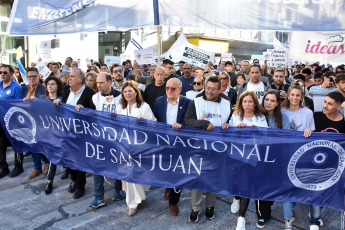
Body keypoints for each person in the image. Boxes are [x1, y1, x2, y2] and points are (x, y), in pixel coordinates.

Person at [184, 76, 231, 223]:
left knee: (213, 178)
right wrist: (204, 124)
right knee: (198, 178)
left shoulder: (227, 103)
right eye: (208, 88)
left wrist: (228, 125)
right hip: (199, 146)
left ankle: (210, 206)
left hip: (218, 148)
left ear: (220, 89)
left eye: (214, 89)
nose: (210, 91)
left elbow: (231, 121)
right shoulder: (196, 101)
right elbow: (188, 120)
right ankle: (196, 207)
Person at [228, 90, 268, 230]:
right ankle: (236, 198)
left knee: (246, 185)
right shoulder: (236, 115)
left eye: (250, 101)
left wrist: (256, 129)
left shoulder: (260, 117)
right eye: (245, 101)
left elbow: (266, 135)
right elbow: (228, 134)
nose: (247, 104)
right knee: (236, 184)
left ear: (255, 104)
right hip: (237, 157)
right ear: (241, 103)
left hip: (254, 158)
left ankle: (241, 218)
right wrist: (235, 129)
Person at [115, 80, 156, 216]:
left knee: (132, 173)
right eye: (125, 91)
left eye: (130, 91)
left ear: (136, 92)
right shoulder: (120, 107)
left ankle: (132, 202)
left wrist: (144, 123)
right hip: (123, 145)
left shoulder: (144, 106)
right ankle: (134, 199)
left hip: (139, 146)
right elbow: (114, 124)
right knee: (126, 175)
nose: (127, 93)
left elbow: (154, 124)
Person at [54, 68, 95, 199]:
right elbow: (63, 108)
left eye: (72, 76)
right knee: (67, 159)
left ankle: (79, 186)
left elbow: (94, 113)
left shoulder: (89, 93)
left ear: (80, 79)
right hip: (67, 131)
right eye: (69, 76)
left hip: (81, 133)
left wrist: (85, 110)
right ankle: (73, 178)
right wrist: (58, 103)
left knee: (79, 160)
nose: (69, 78)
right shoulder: (66, 92)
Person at [153, 78, 192, 216]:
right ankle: (168, 186)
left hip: (180, 145)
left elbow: (191, 122)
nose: (169, 90)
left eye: (173, 88)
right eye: (167, 88)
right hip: (163, 144)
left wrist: (182, 126)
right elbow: (154, 121)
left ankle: (173, 202)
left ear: (180, 90)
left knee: (178, 173)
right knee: (165, 170)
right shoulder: (159, 101)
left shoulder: (188, 103)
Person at [282, 85, 318, 230]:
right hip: (286, 154)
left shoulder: (308, 112)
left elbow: (312, 132)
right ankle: (287, 218)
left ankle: (314, 216)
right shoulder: (282, 112)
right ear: (288, 96)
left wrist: (310, 130)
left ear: (302, 97)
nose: (295, 98)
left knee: (304, 185)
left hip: (303, 155)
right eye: (292, 95)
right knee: (287, 187)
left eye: (298, 95)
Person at [89, 72, 124, 208]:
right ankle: (98, 196)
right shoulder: (95, 97)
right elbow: (89, 115)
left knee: (117, 164)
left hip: (116, 138)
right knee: (97, 167)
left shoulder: (120, 97)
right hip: (99, 137)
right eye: (97, 83)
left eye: (101, 82)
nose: (98, 85)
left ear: (110, 82)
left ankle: (118, 189)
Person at [36, 76, 64, 194]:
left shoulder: (63, 99)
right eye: (48, 84)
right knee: (44, 153)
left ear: (57, 86)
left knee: (54, 156)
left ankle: (49, 181)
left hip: (58, 133)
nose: (50, 86)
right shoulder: (42, 98)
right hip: (45, 132)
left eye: (53, 84)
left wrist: (61, 104)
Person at [23, 68, 48, 179]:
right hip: (27, 121)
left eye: (34, 76)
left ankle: (46, 162)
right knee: (31, 144)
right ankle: (37, 168)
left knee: (40, 143)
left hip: (39, 121)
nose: (32, 78)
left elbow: (46, 103)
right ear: (26, 78)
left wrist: (36, 100)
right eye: (29, 77)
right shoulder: (23, 89)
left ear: (38, 77)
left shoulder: (43, 89)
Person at [0, 64, 24, 179]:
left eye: (5, 72)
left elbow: (19, 107)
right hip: (0, 122)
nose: (2, 74)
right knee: (1, 145)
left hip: (12, 122)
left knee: (16, 145)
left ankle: (18, 166)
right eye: (0, 72)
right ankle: (4, 168)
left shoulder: (16, 87)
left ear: (11, 74)